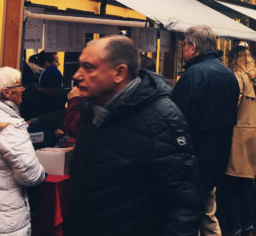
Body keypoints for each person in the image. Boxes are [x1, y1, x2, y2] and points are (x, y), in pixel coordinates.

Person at [67, 36, 201, 236]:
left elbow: (183, 205)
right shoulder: (89, 112)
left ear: (119, 73)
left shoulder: (162, 118)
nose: (77, 75)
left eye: (89, 67)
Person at [171, 25, 239, 235]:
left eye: (184, 45)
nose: (183, 50)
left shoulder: (192, 76)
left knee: (190, 218)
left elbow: (177, 121)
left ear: (192, 47)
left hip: (193, 160)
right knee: (208, 213)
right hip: (218, 158)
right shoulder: (228, 75)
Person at [0, 67, 46, 236]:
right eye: (19, 86)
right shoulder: (11, 128)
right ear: (6, 93)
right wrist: (43, 172)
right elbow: (31, 176)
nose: (23, 89)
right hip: (5, 219)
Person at [222, 46, 256, 236]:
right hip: (252, 134)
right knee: (246, 184)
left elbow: (231, 105)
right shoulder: (254, 78)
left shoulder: (237, 77)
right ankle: (248, 226)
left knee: (231, 183)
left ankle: (236, 228)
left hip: (238, 134)